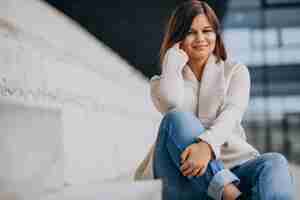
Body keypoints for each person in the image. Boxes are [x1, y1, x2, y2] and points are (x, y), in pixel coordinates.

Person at [134, 1, 294, 199]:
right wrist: (171, 64)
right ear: (178, 39)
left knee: (274, 162)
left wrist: (206, 146)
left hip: (234, 165)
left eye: (207, 30)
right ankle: (231, 196)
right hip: (185, 176)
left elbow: (231, 114)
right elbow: (170, 102)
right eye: (191, 32)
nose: (200, 38)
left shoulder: (235, 71)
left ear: (216, 35)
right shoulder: (160, 84)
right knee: (176, 119)